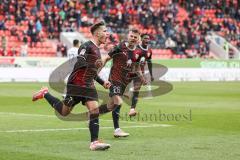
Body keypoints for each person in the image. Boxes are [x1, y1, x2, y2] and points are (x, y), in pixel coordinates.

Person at [32, 21, 111, 151]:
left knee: (94, 111)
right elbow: (81, 60)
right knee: (64, 112)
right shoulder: (87, 46)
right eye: (105, 31)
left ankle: (94, 142)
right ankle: (45, 93)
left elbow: (91, 72)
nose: (107, 34)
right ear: (97, 33)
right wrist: (93, 64)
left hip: (88, 84)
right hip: (77, 84)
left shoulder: (97, 50)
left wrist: (103, 82)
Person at [102, 28, 146, 137]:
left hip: (124, 82)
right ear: (128, 36)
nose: (133, 38)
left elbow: (136, 68)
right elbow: (106, 58)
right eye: (131, 36)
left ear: (138, 38)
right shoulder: (119, 47)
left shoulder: (138, 52)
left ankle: (93, 114)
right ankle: (117, 130)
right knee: (118, 101)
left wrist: (142, 78)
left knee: (111, 106)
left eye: (135, 37)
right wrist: (97, 74)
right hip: (114, 78)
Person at [128, 34, 153, 117]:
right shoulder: (136, 49)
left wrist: (151, 74)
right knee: (122, 91)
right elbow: (132, 62)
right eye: (145, 38)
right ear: (141, 39)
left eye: (148, 38)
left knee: (136, 90)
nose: (147, 40)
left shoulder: (149, 50)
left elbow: (149, 62)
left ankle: (132, 109)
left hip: (139, 72)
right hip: (129, 71)